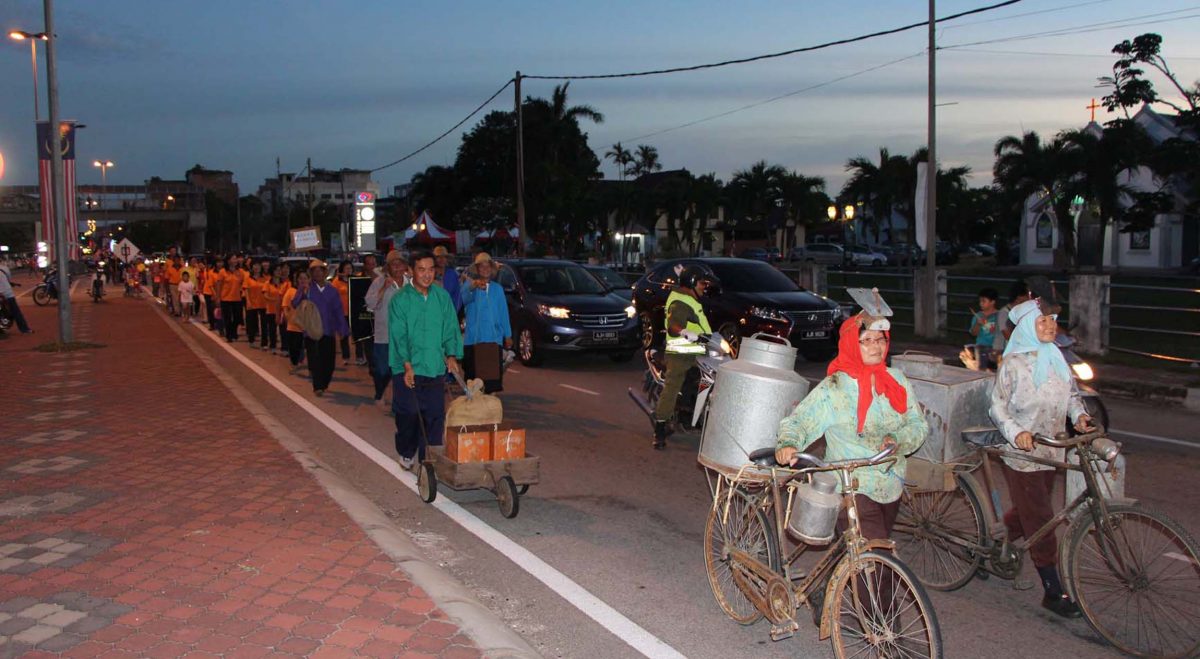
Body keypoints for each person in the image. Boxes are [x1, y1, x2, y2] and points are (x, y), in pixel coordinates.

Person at [775, 289, 928, 543]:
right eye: (866, 340)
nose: (875, 346)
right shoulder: (835, 386)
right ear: (850, 343)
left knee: (866, 560)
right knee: (877, 559)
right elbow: (801, 420)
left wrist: (897, 439)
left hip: (890, 486)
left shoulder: (897, 380)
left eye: (880, 340)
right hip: (850, 486)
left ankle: (843, 577)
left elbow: (917, 424)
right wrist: (788, 444)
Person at [989, 278, 1093, 619]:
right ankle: (1052, 589)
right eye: (1043, 321)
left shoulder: (1056, 358)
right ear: (1028, 328)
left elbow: (1072, 397)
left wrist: (1079, 417)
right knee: (1042, 519)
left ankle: (995, 544)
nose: (1051, 326)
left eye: (1053, 320)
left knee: (1030, 509)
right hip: (1022, 454)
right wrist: (1016, 432)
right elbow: (998, 408)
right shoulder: (1014, 365)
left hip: (1051, 449)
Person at [388, 250, 463, 469]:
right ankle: (406, 450)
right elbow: (399, 336)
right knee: (409, 413)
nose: (427, 274)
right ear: (411, 271)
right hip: (405, 367)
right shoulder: (400, 300)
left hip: (433, 366)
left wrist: (451, 355)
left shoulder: (442, 297)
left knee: (434, 416)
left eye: (431, 269)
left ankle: (428, 459)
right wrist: (407, 365)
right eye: (421, 269)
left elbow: (451, 328)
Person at [653, 265, 714, 449]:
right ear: (693, 283)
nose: (705, 287)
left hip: (697, 351)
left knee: (704, 380)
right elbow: (673, 325)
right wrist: (685, 332)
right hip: (681, 352)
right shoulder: (680, 303)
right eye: (702, 283)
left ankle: (691, 415)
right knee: (673, 386)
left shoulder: (689, 298)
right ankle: (660, 429)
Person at [291, 259, 349, 396]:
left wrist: (343, 329)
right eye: (314, 271)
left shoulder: (332, 291)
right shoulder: (308, 289)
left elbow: (338, 311)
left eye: (320, 271)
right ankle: (317, 386)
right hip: (311, 330)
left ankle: (324, 382)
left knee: (329, 361)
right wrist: (301, 290)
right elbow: (294, 304)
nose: (317, 273)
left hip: (328, 330)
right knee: (314, 359)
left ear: (325, 273)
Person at [459, 252, 512, 393]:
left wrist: (508, 335)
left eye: (487, 266)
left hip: (493, 340)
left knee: (490, 382)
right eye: (481, 267)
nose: (485, 269)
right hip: (473, 340)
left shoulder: (497, 289)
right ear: (477, 269)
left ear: (492, 268)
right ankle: (474, 411)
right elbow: (463, 300)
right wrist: (472, 286)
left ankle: (488, 409)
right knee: (472, 382)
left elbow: (503, 313)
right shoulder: (470, 286)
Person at [364, 251, 407, 412]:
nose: (397, 267)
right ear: (388, 267)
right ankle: (380, 391)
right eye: (393, 264)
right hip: (384, 335)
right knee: (382, 370)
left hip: (405, 338)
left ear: (405, 266)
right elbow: (370, 304)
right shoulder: (379, 281)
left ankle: (398, 405)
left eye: (400, 263)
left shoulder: (411, 284)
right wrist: (384, 288)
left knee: (401, 372)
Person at [281, 269, 307, 373]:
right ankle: (294, 363)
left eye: (305, 278)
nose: (303, 280)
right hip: (294, 325)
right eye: (300, 278)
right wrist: (288, 319)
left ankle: (301, 360)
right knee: (294, 347)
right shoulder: (291, 291)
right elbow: (285, 306)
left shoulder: (311, 291)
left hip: (307, 325)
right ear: (296, 280)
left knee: (304, 346)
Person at [969, 287, 1000, 370]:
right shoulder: (978, 315)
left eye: (984, 301)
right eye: (980, 301)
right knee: (981, 370)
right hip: (982, 347)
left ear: (992, 302)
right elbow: (973, 333)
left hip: (996, 348)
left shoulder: (1000, 315)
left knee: (995, 371)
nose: (980, 304)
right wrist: (978, 324)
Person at [331, 260, 354, 366]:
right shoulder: (336, 281)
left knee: (357, 335)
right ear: (342, 269)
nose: (349, 270)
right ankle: (346, 356)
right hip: (342, 312)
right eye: (346, 268)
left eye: (350, 268)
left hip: (353, 311)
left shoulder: (354, 279)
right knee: (344, 335)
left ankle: (360, 356)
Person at [0, 259, 33, 334]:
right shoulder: (5, 268)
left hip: (3, 294)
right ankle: (25, 329)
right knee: (16, 312)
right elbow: (8, 279)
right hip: (8, 293)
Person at [218, 257, 245, 342]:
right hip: (225, 298)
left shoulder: (240, 272)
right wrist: (218, 297)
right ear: (228, 261)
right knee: (227, 318)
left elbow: (243, 283)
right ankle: (229, 335)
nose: (235, 260)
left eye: (236, 259)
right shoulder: (223, 272)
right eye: (233, 259)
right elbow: (219, 285)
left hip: (237, 298)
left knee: (237, 317)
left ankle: (233, 331)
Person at [432, 245, 462, 312]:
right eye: (438, 257)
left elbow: (457, 296)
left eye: (444, 257)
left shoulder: (452, 274)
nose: (441, 259)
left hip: (450, 313)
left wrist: (453, 313)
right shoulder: (429, 274)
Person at [244, 261, 266, 348]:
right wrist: (248, 301)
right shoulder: (248, 278)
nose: (256, 268)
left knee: (264, 324)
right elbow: (245, 290)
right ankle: (251, 340)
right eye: (255, 266)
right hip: (252, 303)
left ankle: (264, 343)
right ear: (252, 267)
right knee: (251, 323)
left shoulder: (265, 278)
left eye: (258, 265)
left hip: (263, 303)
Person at [262, 267, 282, 354]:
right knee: (272, 329)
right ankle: (272, 346)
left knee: (283, 330)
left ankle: (284, 347)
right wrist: (274, 300)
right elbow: (265, 295)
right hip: (271, 309)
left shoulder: (285, 283)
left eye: (280, 271)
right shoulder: (267, 283)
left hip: (282, 310)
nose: (279, 272)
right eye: (277, 271)